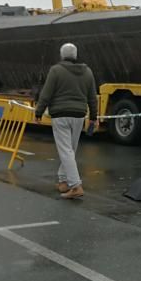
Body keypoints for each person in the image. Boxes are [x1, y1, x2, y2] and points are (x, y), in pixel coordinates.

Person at [34, 43, 98, 200]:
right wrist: (94, 117)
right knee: (70, 150)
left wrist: (38, 112)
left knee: (65, 151)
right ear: (75, 55)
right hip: (79, 116)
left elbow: (46, 94)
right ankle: (63, 181)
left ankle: (76, 185)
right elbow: (92, 98)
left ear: (62, 55)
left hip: (60, 115)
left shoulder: (56, 70)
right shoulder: (88, 72)